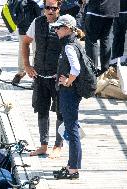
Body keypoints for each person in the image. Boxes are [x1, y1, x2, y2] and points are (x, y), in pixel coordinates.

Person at [22, 0, 63, 158]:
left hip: (57, 77)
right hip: (39, 75)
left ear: (59, 9)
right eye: (48, 8)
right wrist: (26, 65)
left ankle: (58, 145)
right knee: (41, 110)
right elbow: (25, 42)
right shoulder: (37, 22)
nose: (51, 11)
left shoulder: (64, 24)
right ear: (44, 8)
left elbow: (73, 46)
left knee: (61, 112)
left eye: (54, 8)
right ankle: (43, 145)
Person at [52, 14, 82, 179]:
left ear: (68, 29)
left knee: (72, 128)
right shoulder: (73, 43)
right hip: (72, 93)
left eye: (59, 27)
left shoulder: (69, 46)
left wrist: (68, 82)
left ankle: (73, 170)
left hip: (69, 93)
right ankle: (72, 165)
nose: (56, 30)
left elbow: (76, 69)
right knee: (72, 128)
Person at [84, 0, 120, 76]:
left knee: (91, 41)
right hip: (111, 10)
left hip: (96, 9)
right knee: (106, 39)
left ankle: (92, 71)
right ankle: (105, 70)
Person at [11, 0, 41, 85]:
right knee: (22, 50)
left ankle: (35, 75)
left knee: (37, 51)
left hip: (37, 28)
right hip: (23, 27)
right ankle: (21, 72)